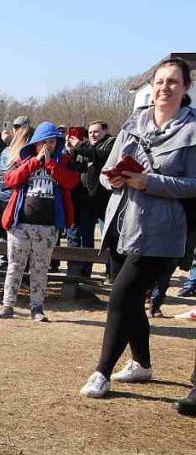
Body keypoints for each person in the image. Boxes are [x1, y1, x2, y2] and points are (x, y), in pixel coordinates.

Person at [80, 59, 196, 398]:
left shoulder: (192, 130)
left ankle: (100, 372)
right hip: (121, 223)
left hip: (162, 230)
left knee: (120, 297)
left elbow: (193, 184)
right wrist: (113, 177)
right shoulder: (134, 122)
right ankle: (142, 363)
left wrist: (151, 182)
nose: (165, 87)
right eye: (160, 81)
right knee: (130, 301)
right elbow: (105, 172)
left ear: (185, 87)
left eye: (173, 82)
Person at [0, 122, 80, 322]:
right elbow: (10, 179)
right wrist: (34, 162)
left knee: (40, 268)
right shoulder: (23, 159)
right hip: (20, 224)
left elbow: (71, 181)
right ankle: (8, 305)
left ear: (57, 143)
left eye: (51, 142)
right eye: (43, 142)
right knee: (14, 266)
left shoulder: (64, 161)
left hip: (47, 227)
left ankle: (37, 307)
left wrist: (51, 165)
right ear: (35, 143)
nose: (47, 146)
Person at [0, 125, 34, 283]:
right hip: (16, 200)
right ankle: (22, 277)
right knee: (21, 239)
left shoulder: (6, 151)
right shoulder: (28, 155)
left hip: (0, 199)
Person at [66, 120, 116, 279]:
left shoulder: (111, 142)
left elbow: (103, 157)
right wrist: (72, 151)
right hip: (86, 201)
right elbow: (77, 167)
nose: (93, 135)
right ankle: (85, 271)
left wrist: (81, 146)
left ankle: (112, 271)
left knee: (108, 239)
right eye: (90, 133)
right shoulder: (86, 148)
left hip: (105, 201)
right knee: (87, 238)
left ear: (105, 130)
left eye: (96, 132)